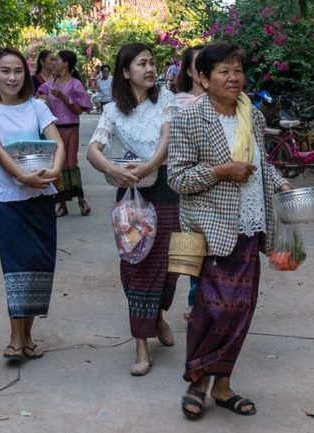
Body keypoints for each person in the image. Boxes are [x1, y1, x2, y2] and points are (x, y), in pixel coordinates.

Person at [167, 42, 292, 419]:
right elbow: (177, 177)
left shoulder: (250, 116)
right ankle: (197, 380)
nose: (233, 77)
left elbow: (260, 164)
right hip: (211, 232)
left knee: (241, 310)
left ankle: (222, 387)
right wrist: (221, 171)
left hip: (250, 228)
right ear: (203, 78)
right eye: (223, 71)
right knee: (212, 309)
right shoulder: (189, 119)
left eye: (237, 70)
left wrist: (282, 183)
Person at [87, 42, 180, 377]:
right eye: (142, 64)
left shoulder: (166, 99)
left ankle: (156, 316)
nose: (151, 69)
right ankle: (141, 343)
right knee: (136, 263)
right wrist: (112, 170)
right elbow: (93, 150)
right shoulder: (112, 110)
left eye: (152, 63)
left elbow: (167, 140)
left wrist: (149, 165)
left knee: (169, 266)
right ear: (125, 72)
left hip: (166, 187)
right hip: (131, 194)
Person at [0, 47, 66, 361]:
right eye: (5, 71)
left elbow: (58, 143)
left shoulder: (37, 106)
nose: (12, 77)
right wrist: (22, 178)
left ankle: (27, 338)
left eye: (18, 71)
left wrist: (55, 171)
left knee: (40, 266)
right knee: (16, 268)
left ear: (25, 74)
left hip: (41, 197)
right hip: (7, 200)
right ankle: (14, 338)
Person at [38, 50, 93, 217]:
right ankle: (62, 203)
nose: (54, 63)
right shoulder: (50, 84)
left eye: (57, 60)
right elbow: (39, 96)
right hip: (54, 129)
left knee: (71, 163)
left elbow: (78, 110)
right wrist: (42, 98)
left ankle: (81, 199)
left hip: (70, 127)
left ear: (66, 64)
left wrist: (63, 97)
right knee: (58, 166)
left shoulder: (75, 84)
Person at [173, 45, 205, 321]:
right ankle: (195, 301)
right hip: (188, 185)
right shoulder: (178, 102)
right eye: (199, 64)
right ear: (190, 71)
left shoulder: (232, 103)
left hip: (222, 187)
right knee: (193, 246)